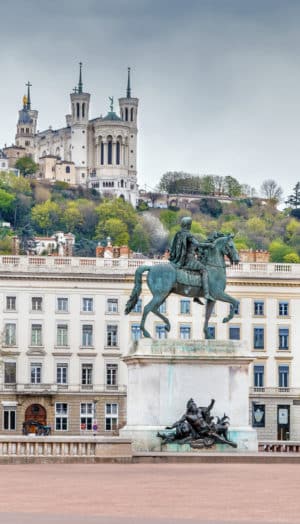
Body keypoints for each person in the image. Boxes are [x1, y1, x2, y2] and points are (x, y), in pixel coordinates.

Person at [169, 216, 215, 301]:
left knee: (196, 272)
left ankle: (196, 295)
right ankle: (206, 294)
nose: (190, 225)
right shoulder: (188, 234)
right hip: (189, 260)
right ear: (187, 225)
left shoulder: (178, 234)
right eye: (190, 224)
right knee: (204, 270)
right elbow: (197, 244)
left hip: (180, 259)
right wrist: (209, 245)